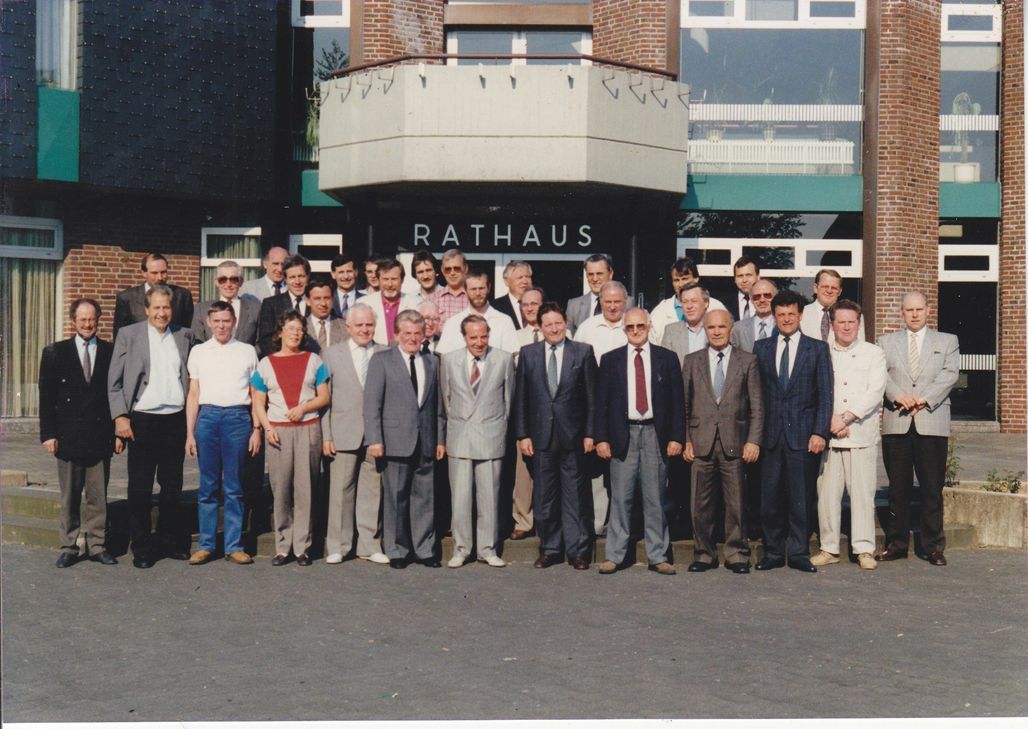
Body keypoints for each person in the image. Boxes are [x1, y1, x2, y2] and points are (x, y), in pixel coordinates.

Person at [107, 284, 195, 568]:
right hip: (142, 420)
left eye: (166, 307)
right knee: (141, 487)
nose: (161, 313)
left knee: (172, 486)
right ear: (146, 310)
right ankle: (142, 546)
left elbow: (192, 379)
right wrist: (120, 417)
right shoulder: (128, 335)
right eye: (156, 307)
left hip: (175, 419)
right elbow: (114, 382)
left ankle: (169, 541)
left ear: (172, 309)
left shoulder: (184, 335)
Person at [594, 308, 683, 576]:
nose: (635, 331)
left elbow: (678, 402)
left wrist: (676, 437)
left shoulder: (666, 358)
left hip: (655, 433)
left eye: (640, 326)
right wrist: (602, 439)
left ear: (649, 326)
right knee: (621, 497)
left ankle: (658, 555)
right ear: (624, 329)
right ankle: (615, 555)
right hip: (624, 434)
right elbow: (601, 404)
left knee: (655, 497)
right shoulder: (610, 360)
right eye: (630, 327)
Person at [876, 291, 960, 566]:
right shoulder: (886, 342)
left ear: (927, 310)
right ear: (902, 312)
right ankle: (897, 544)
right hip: (897, 419)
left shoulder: (947, 341)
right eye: (909, 310)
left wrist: (923, 399)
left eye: (919, 309)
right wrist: (899, 396)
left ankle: (933, 546)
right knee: (897, 488)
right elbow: (880, 374)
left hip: (931, 419)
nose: (914, 314)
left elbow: (950, 374)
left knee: (931, 488)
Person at [752, 289, 833, 573]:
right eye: (781, 314)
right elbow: (756, 395)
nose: (786, 319)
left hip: (803, 436)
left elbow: (825, 395)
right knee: (770, 498)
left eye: (791, 314)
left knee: (801, 498)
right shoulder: (761, 348)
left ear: (800, 315)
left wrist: (820, 432)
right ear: (773, 317)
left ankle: (798, 552)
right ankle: (773, 552)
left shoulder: (817, 348)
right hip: (770, 436)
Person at [512, 303, 596, 570]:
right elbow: (521, 398)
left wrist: (590, 433)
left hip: (574, 436)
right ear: (539, 327)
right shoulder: (528, 354)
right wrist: (523, 434)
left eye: (558, 323)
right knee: (545, 498)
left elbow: (592, 399)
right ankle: (550, 548)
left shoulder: (582, 352)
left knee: (575, 497)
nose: (554, 328)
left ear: (566, 323)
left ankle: (577, 550)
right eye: (548, 324)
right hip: (541, 437)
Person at [682, 309, 763, 574]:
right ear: (705, 330)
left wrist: (753, 440)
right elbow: (684, 404)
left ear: (731, 330)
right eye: (711, 328)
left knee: (736, 502)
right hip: (701, 441)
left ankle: (736, 554)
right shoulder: (692, 361)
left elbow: (757, 406)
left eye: (722, 327)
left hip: (735, 442)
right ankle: (703, 554)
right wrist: (687, 440)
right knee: (699, 504)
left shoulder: (747, 361)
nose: (716, 332)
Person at [364, 310, 447, 569]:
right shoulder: (382, 360)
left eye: (417, 333)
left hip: (426, 440)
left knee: (425, 498)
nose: (412, 338)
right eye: (407, 333)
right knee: (396, 498)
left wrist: (440, 439)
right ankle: (397, 549)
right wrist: (375, 439)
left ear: (424, 335)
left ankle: (425, 549)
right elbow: (371, 404)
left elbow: (438, 407)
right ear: (396, 334)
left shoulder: (432, 361)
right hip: (394, 440)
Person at [39, 298, 118, 567]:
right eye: (82, 319)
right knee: (70, 496)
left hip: (99, 435)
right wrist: (48, 434)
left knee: (98, 496)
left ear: (98, 320)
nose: (87, 324)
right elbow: (46, 399)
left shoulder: (110, 351)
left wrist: (119, 432)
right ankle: (69, 546)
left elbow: (116, 394)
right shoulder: (55, 352)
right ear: (73, 321)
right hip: (67, 436)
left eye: (92, 319)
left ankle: (97, 545)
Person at [184, 301, 262, 566]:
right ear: (208, 322)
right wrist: (190, 434)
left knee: (234, 486)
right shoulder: (198, 352)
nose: (221, 326)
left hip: (238, 419)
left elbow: (255, 394)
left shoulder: (247, 351)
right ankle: (206, 544)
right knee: (207, 486)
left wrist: (256, 429)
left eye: (226, 321)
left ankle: (234, 545)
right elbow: (193, 394)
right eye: (216, 321)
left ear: (234, 322)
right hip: (207, 418)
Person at [811, 300, 887, 571]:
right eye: (840, 322)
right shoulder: (822, 352)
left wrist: (846, 417)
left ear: (859, 323)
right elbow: (818, 389)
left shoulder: (873, 353)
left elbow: (874, 391)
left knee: (862, 494)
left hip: (860, 434)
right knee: (828, 495)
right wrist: (830, 421)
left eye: (851, 322)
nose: (846, 327)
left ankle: (864, 548)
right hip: (830, 435)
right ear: (832, 324)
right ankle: (829, 547)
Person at [251, 311, 330, 566]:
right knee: (281, 488)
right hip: (278, 432)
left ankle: (302, 548)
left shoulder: (314, 360)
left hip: (308, 428)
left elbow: (323, 397)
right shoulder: (266, 363)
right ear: (280, 332)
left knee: (306, 488)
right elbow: (258, 402)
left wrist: (304, 408)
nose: (295, 333)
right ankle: (282, 546)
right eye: (291, 328)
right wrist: (266, 427)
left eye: (300, 329)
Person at [439, 315, 515, 568]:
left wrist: (496, 427)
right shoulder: (449, 360)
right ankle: (461, 548)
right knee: (460, 498)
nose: (479, 342)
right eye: (473, 337)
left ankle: (488, 549)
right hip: (460, 436)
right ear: (464, 337)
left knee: (489, 498)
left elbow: (508, 402)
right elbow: (446, 400)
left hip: (491, 435)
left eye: (484, 336)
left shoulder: (503, 359)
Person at [321, 303, 390, 565]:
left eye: (369, 325)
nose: (364, 329)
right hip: (342, 431)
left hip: (376, 436)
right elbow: (325, 399)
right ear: (348, 327)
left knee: (373, 491)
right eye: (359, 325)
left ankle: (369, 545)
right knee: (340, 490)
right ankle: (338, 545)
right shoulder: (331, 354)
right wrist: (326, 434)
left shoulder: (385, 352)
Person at [570, 280, 629, 536]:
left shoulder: (635, 323)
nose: (613, 306)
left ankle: (620, 525)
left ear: (625, 302)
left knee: (624, 470)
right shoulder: (587, 327)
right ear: (600, 302)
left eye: (617, 301)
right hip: (597, 405)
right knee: (596, 471)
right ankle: (596, 524)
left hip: (630, 407)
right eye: (608, 302)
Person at [510, 286, 545, 540]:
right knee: (522, 472)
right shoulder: (514, 337)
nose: (530, 308)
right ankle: (523, 519)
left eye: (535, 304)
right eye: (525, 304)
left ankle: (545, 519)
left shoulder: (559, 332)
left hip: (550, 412)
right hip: (525, 409)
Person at [113, 252, 194, 338]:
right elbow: (119, 336)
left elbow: (188, 332)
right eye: (154, 273)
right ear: (143, 273)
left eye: (163, 272)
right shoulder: (126, 298)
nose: (160, 277)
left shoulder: (182, 296)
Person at [436, 270, 518, 355]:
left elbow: (511, 357)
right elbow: (444, 357)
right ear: (465, 290)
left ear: (489, 288)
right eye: (473, 289)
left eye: (481, 288)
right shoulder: (453, 323)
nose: (478, 293)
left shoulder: (504, 321)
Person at [649, 257, 728, 343]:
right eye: (676, 280)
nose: (680, 284)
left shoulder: (715, 307)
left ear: (696, 279)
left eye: (685, 279)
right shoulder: (661, 311)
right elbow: (651, 343)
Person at [192, 260, 260, 345]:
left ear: (241, 282)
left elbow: (260, 342)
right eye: (223, 279)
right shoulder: (200, 309)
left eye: (234, 279)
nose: (228, 284)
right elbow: (198, 341)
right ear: (216, 282)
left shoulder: (255, 309)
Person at [256, 254, 312, 358]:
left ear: (308, 276)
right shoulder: (271, 304)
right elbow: (265, 340)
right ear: (285, 279)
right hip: (280, 364)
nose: (297, 281)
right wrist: (283, 360)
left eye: (301, 276)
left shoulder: (315, 303)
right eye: (292, 277)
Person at [800, 268, 865, 344]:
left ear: (840, 291)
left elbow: (860, 346)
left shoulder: (854, 315)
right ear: (815, 288)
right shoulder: (800, 313)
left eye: (834, 288)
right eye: (825, 287)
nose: (829, 291)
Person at [363, 258, 418, 345]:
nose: (389, 284)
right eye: (385, 279)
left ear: (402, 280)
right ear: (379, 280)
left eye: (394, 279)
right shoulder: (364, 304)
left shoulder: (416, 304)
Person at [660, 283, 710, 366]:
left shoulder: (716, 328)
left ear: (706, 303)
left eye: (694, 301)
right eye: (685, 302)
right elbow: (664, 365)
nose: (689, 306)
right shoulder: (671, 331)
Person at [565, 254, 613, 335]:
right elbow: (568, 339)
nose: (595, 279)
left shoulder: (625, 303)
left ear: (610, 274)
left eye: (599, 274)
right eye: (590, 274)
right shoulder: (574, 306)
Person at [730, 278, 778, 353]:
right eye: (757, 297)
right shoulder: (737, 329)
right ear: (751, 300)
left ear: (775, 297)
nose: (762, 300)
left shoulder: (783, 325)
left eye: (767, 295)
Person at [428, 249, 469, 327]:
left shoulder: (473, 298)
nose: (452, 273)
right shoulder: (432, 300)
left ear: (465, 268)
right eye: (448, 269)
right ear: (442, 271)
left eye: (457, 268)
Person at [305, 276, 346, 353]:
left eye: (327, 298)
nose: (323, 303)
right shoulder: (301, 327)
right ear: (308, 301)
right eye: (317, 298)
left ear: (333, 299)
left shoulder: (345, 327)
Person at [491, 260, 533, 329]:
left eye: (527, 277)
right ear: (507, 281)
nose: (525, 281)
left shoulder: (540, 305)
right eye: (520, 277)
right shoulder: (494, 307)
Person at [329, 254, 364, 319]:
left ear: (356, 272)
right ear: (333, 274)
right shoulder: (327, 299)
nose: (346, 277)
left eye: (349, 271)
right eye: (341, 272)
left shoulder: (366, 300)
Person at [731, 255, 761, 322]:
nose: (744, 280)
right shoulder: (724, 304)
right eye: (740, 276)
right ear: (735, 279)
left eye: (748, 275)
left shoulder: (767, 301)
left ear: (758, 276)